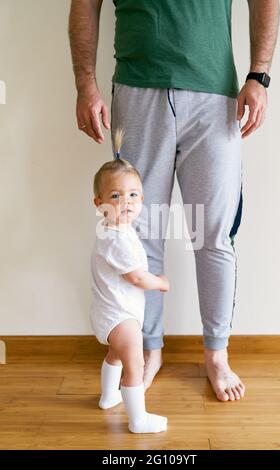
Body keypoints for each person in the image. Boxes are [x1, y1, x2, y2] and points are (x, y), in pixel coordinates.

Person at [69, 0, 280, 401]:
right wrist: (85, 82)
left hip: (215, 97)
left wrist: (260, 75)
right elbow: (84, 5)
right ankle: (147, 348)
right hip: (136, 91)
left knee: (215, 235)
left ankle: (216, 354)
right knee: (137, 232)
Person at [90, 128, 169, 433]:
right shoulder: (116, 239)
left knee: (116, 355)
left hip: (111, 312)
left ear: (142, 198)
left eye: (133, 195)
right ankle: (138, 420)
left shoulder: (118, 230)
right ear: (100, 203)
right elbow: (136, 277)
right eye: (116, 196)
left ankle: (109, 397)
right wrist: (161, 282)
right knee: (134, 364)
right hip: (120, 316)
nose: (126, 202)